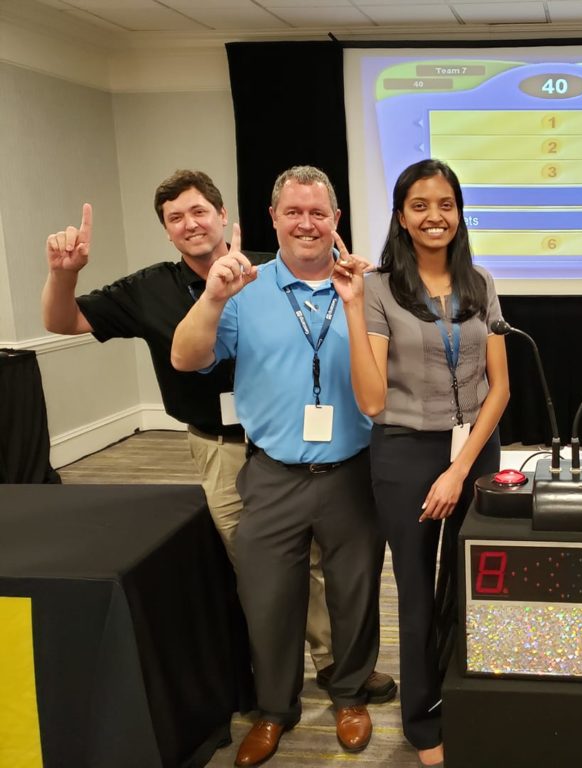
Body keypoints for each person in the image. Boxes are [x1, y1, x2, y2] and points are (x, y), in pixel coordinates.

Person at [39, 171, 381, 698]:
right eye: (175, 218)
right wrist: (66, 275)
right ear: (166, 231)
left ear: (226, 217)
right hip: (231, 448)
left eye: (199, 211)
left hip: (325, 453)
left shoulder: (309, 275)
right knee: (262, 576)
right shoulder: (180, 287)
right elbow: (84, 327)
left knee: (333, 577)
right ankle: (268, 689)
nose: (190, 224)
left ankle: (338, 670)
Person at [171, 165, 388, 767]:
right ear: (273, 219)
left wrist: (360, 301)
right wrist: (214, 295)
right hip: (271, 473)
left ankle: (347, 694)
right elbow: (187, 358)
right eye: (293, 212)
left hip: (352, 473)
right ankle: (274, 709)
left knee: (354, 595)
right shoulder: (242, 288)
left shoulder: (368, 290)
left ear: (336, 221)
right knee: (267, 600)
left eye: (318, 213)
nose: (307, 223)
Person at [333, 158, 509, 767]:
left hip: (473, 452)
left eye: (446, 205)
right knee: (414, 591)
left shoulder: (482, 283)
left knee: (469, 587)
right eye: (420, 205)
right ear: (402, 217)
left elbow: (500, 389)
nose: (435, 216)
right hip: (406, 452)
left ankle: (465, 698)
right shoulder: (378, 287)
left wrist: (460, 470)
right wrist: (353, 309)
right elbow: (373, 399)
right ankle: (422, 722)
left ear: (459, 214)